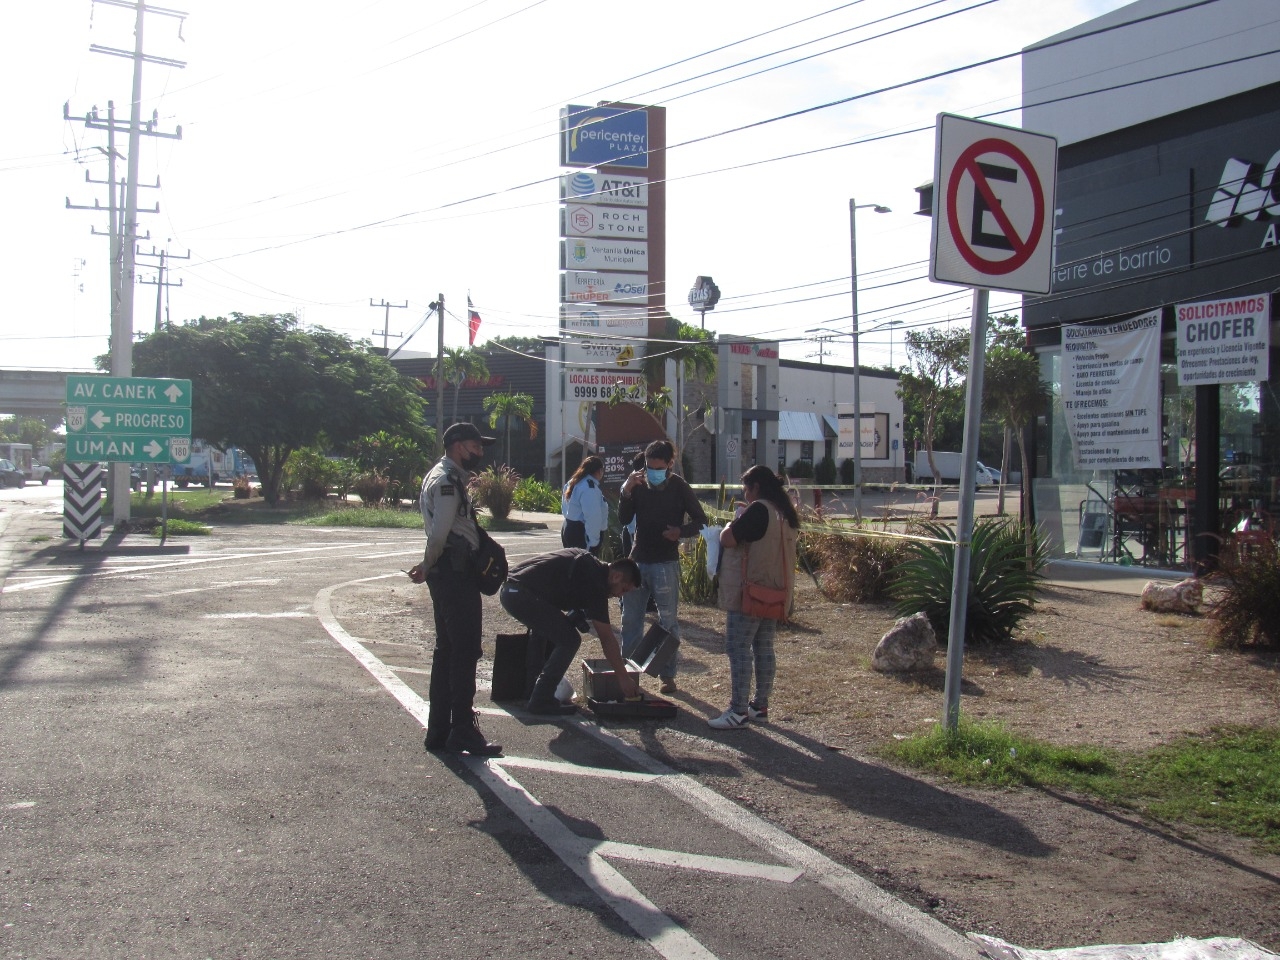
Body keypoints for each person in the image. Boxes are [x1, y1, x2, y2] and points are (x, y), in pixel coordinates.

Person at [407, 422, 502, 756]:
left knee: (447, 651)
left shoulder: (443, 475)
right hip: (454, 574)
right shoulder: (447, 481)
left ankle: (440, 732)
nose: (480, 452)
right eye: (476, 446)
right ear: (459, 446)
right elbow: (440, 533)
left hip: (449, 574)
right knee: (463, 653)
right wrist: (428, 563)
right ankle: (461, 729)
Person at [708, 465, 800, 730]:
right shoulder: (785, 512)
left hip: (749, 591)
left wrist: (732, 522)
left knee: (738, 648)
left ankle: (738, 710)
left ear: (756, 487)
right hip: (776, 591)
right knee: (763, 648)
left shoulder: (759, 509)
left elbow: (728, 539)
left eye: (746, 488)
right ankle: (760, 706)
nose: (745, 493)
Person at [500, 549, 642, 714]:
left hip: (511, 590)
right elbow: (607, 638)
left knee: (548, 631)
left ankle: (532, 691)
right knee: (569, 640)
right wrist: (623, 678)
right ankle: (541, 699)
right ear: (616, 576)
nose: (619, 596)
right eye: (623, 590)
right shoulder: (596, 582)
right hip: (520, 594)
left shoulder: (589, 562)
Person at [618, 439, 708, 695]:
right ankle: (629, 675)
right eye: (649, 467)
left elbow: (701, 520)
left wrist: (680, 531)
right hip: (638, 560)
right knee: (630, 620)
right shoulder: (637, 484)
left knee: (668, 622)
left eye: (658, 467)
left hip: (666, 563)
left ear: (670, 464)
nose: (653, 473)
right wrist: (626, 491)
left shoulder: (679, 486)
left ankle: (668, 676)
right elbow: (624, 519)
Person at [561, 455, 609, 555]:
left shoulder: (574, 482)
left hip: (570, 528)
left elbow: (565, 508)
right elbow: (592, 517)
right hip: (582, 535)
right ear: (599, 470)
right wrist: (593, 543)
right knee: (584, 569)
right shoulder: (589, 488)